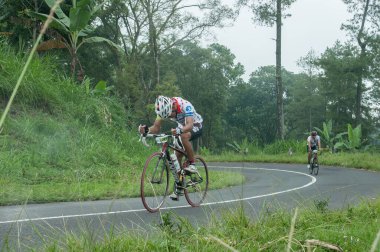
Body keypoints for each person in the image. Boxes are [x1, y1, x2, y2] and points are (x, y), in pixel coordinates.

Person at [138, 95, 203, 201]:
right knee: (176, 158)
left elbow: (190, 125)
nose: (170, 116)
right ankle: (180, 185)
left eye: (170, 114)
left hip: (195, 125)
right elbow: (156, 128)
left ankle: (192, 164)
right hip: (182, 127)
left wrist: (179, 131)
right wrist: (146, 131)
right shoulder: (162, 110)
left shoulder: (185, 105)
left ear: (172, 107)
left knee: (183, 136)